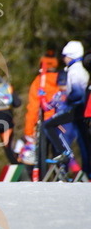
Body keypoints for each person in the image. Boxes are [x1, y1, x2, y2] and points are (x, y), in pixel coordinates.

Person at [41, 41, 90, 176]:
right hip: (80, 108)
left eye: (66, 56)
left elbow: (77, 93)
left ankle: (64, 153)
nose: (64, 59)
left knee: (48, 125)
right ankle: (87, 170)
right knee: (83, 140)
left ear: (72, 56)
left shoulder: (76, 71)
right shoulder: (75, 69)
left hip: (76, 108)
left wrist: (66, 100)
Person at [40, 71, 82, 174]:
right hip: (70, 125)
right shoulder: (71, 94)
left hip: (63, 126)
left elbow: (46, 107)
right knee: (64, 149)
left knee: (65, 151)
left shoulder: (60, 95)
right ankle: (65, 171)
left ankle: (76, 172)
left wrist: (42, 97)